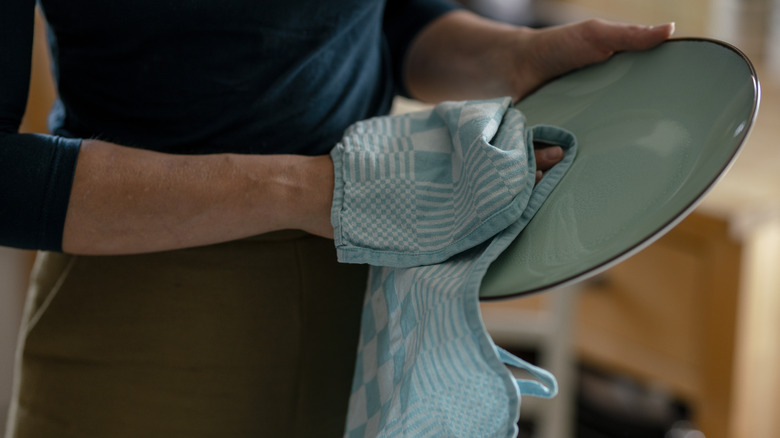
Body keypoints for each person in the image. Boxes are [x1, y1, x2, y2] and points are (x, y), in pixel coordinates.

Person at [1, 1, 673, 436]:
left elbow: (381, 21)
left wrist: (514, 58)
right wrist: (312, 188)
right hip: (145, 326)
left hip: (370, 319)